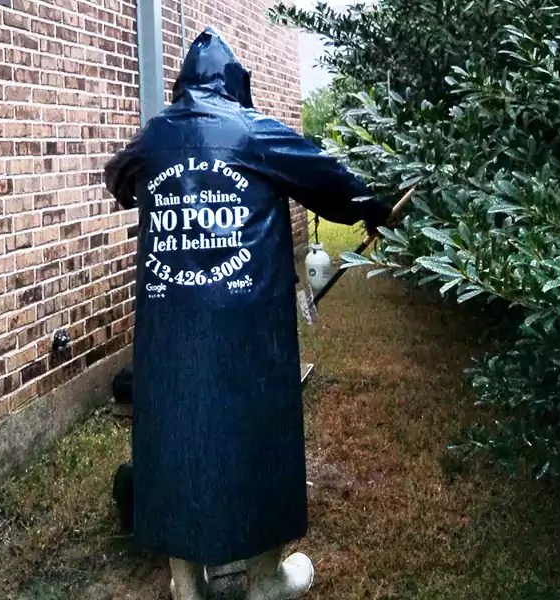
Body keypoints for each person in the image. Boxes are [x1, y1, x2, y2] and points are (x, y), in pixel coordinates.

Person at [105, 27, 393, 600]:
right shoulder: (255, 132)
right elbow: (331, 180)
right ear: (236, 83)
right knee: (259, 434)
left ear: (184, 84)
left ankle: (184, 581)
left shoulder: (155, 137)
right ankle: (264, 578)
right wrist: (376, 208)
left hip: (171, 333)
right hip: (249, 331)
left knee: (175, 436)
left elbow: (119, 177)